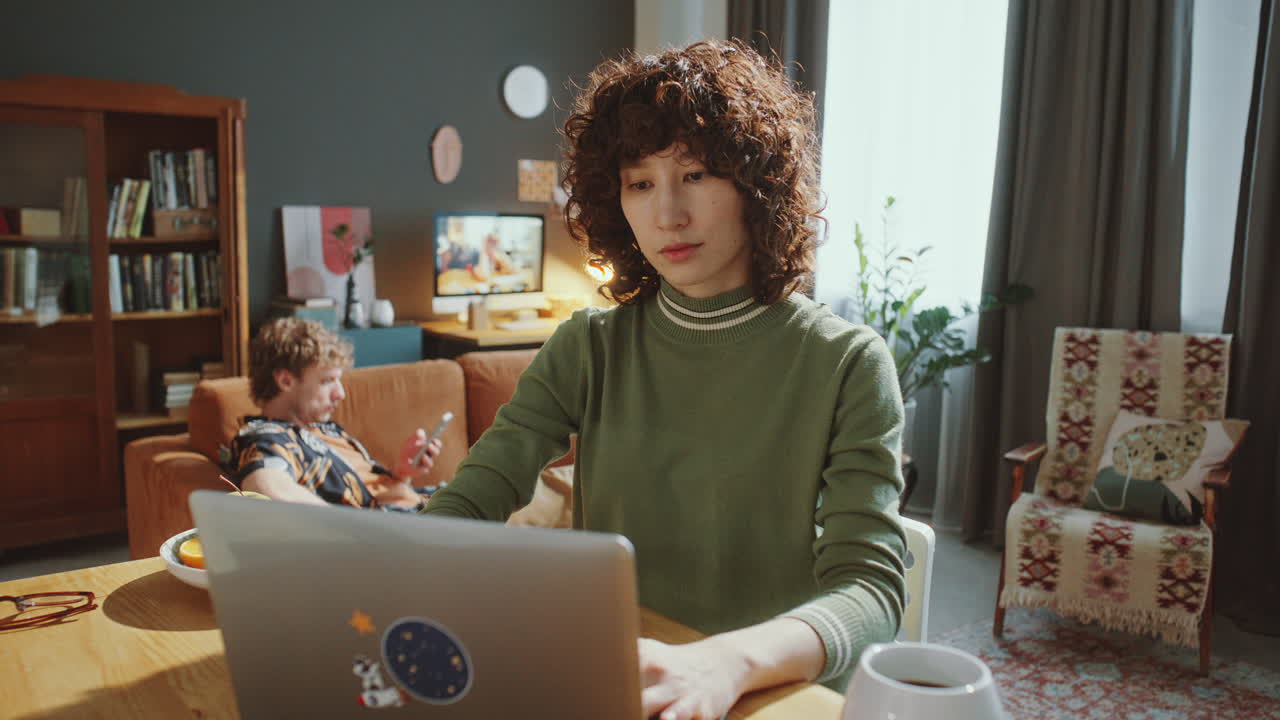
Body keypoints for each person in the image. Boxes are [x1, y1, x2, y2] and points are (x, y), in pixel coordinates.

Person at [422, 39, 906, 719]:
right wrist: (394, 565)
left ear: (757, 184)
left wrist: (725, 662)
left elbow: (872, 592)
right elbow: (477, 495)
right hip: (606, 674)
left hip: (759, 687)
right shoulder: (587, 346)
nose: (667, 215)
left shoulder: (847, 362)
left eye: (698, 175)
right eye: (639, 183)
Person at [229, 317, 443, 511]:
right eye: (327, 381)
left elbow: (377, 495)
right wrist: (351, 529)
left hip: (429, 503)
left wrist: (402, 473)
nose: (340, 394)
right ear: (285, 381)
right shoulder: (269, 438)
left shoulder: (324, 428)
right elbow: (265, 487)